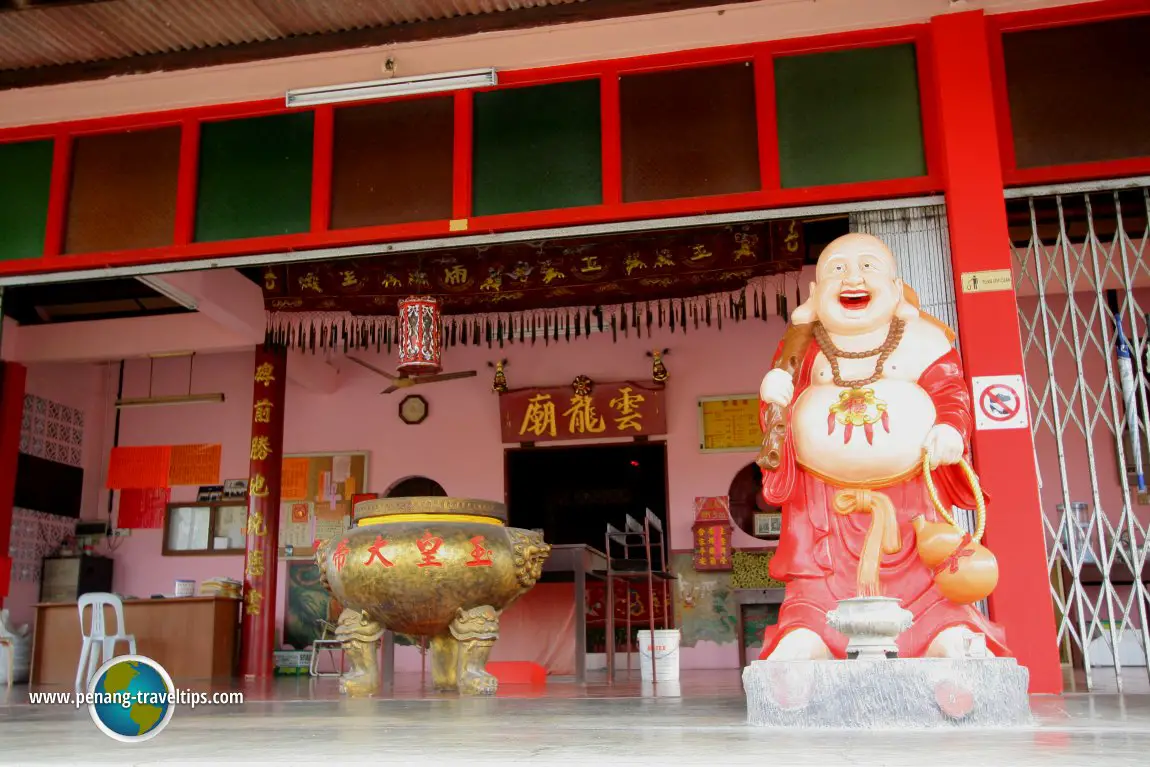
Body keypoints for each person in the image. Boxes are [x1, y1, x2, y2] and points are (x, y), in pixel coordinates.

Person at [757, 233, 1009, 661]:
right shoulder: (802, 348)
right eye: (837, 269)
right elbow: (778, 425)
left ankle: (942, 631)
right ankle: (812, 631)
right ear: (816, 294)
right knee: (818, 584)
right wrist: (773, 394)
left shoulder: (923, 339)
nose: (852, 278)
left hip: (909, 497)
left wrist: (950, 428)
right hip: (824, 507)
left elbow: (952, 394)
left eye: (868, 267)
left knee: (928, 579)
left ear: (895, 288)